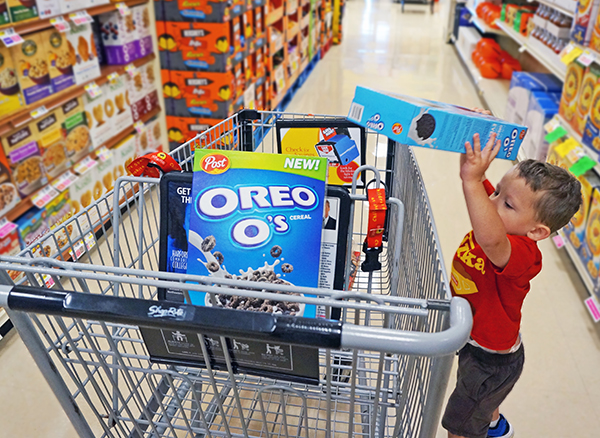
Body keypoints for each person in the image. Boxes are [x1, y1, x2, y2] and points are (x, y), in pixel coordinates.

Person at [441, 131, 582, 438]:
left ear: (537, 232)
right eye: (496, 193)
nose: (491, 203)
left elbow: (490, 238)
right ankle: (495, 425)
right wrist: (472, 150)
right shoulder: (499, 210)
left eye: (507, 203)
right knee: (484, 399)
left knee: (461, 424)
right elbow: (482, 196)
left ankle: (483, 427)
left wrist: (471, 182)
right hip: (479, 338)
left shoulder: (521, 252)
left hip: (488, 358)